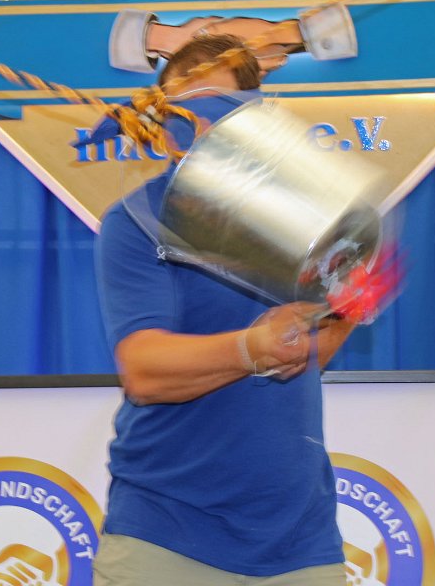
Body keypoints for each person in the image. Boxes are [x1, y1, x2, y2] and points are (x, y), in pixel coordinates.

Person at [93, 34, 357, 585]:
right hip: (165, 537)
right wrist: (251, 348)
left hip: (299, 538)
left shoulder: (306, 214)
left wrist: (344, 309)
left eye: (219, 114)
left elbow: (318, 349)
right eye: (183, 118)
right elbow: (143, 371)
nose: (201, 132)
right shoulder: (137, 221)